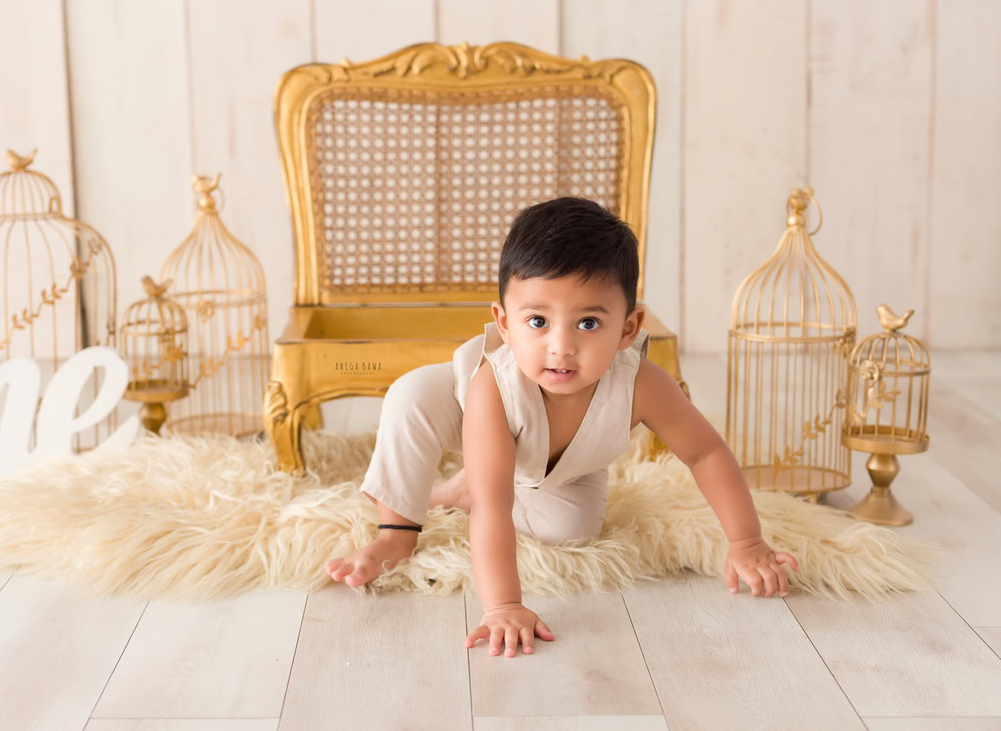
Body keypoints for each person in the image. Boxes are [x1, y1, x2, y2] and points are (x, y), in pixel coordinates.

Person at [323, 196, 800, 658]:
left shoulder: (642, 384)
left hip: (567, 464)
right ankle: (397, 530)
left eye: (588, 323)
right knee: (412, 396)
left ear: (628, 328)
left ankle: (460, 489)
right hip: (459, 408)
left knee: (571, 530)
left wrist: (746, 542)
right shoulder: (493, 384)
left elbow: (705, 452)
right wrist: (503, 606)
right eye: (537, 321)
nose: (561, 346)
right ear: (504, 323)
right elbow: (495, 506)